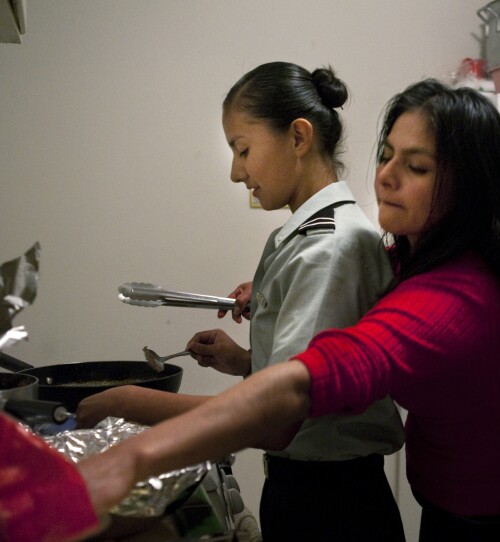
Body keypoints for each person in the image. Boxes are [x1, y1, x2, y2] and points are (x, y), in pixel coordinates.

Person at [78, 78, 500, 541]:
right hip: (447, 497)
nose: (385, 176)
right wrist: (262, 328)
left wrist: (132, 421)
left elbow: (308, 383)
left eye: (416, 167)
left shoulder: (452, 296)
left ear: (468, 187)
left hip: (497, 519)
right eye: (386, 155)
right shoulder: (426, 257)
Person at [75, 61, 406, 542]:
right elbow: (315, 379)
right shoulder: (303, 239)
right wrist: (248, 362)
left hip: (332, 507)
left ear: (298, 137)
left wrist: (129, 402)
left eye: (242, 148)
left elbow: (276, 425)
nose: (235, 172)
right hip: (314, 493)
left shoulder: (327, 250)